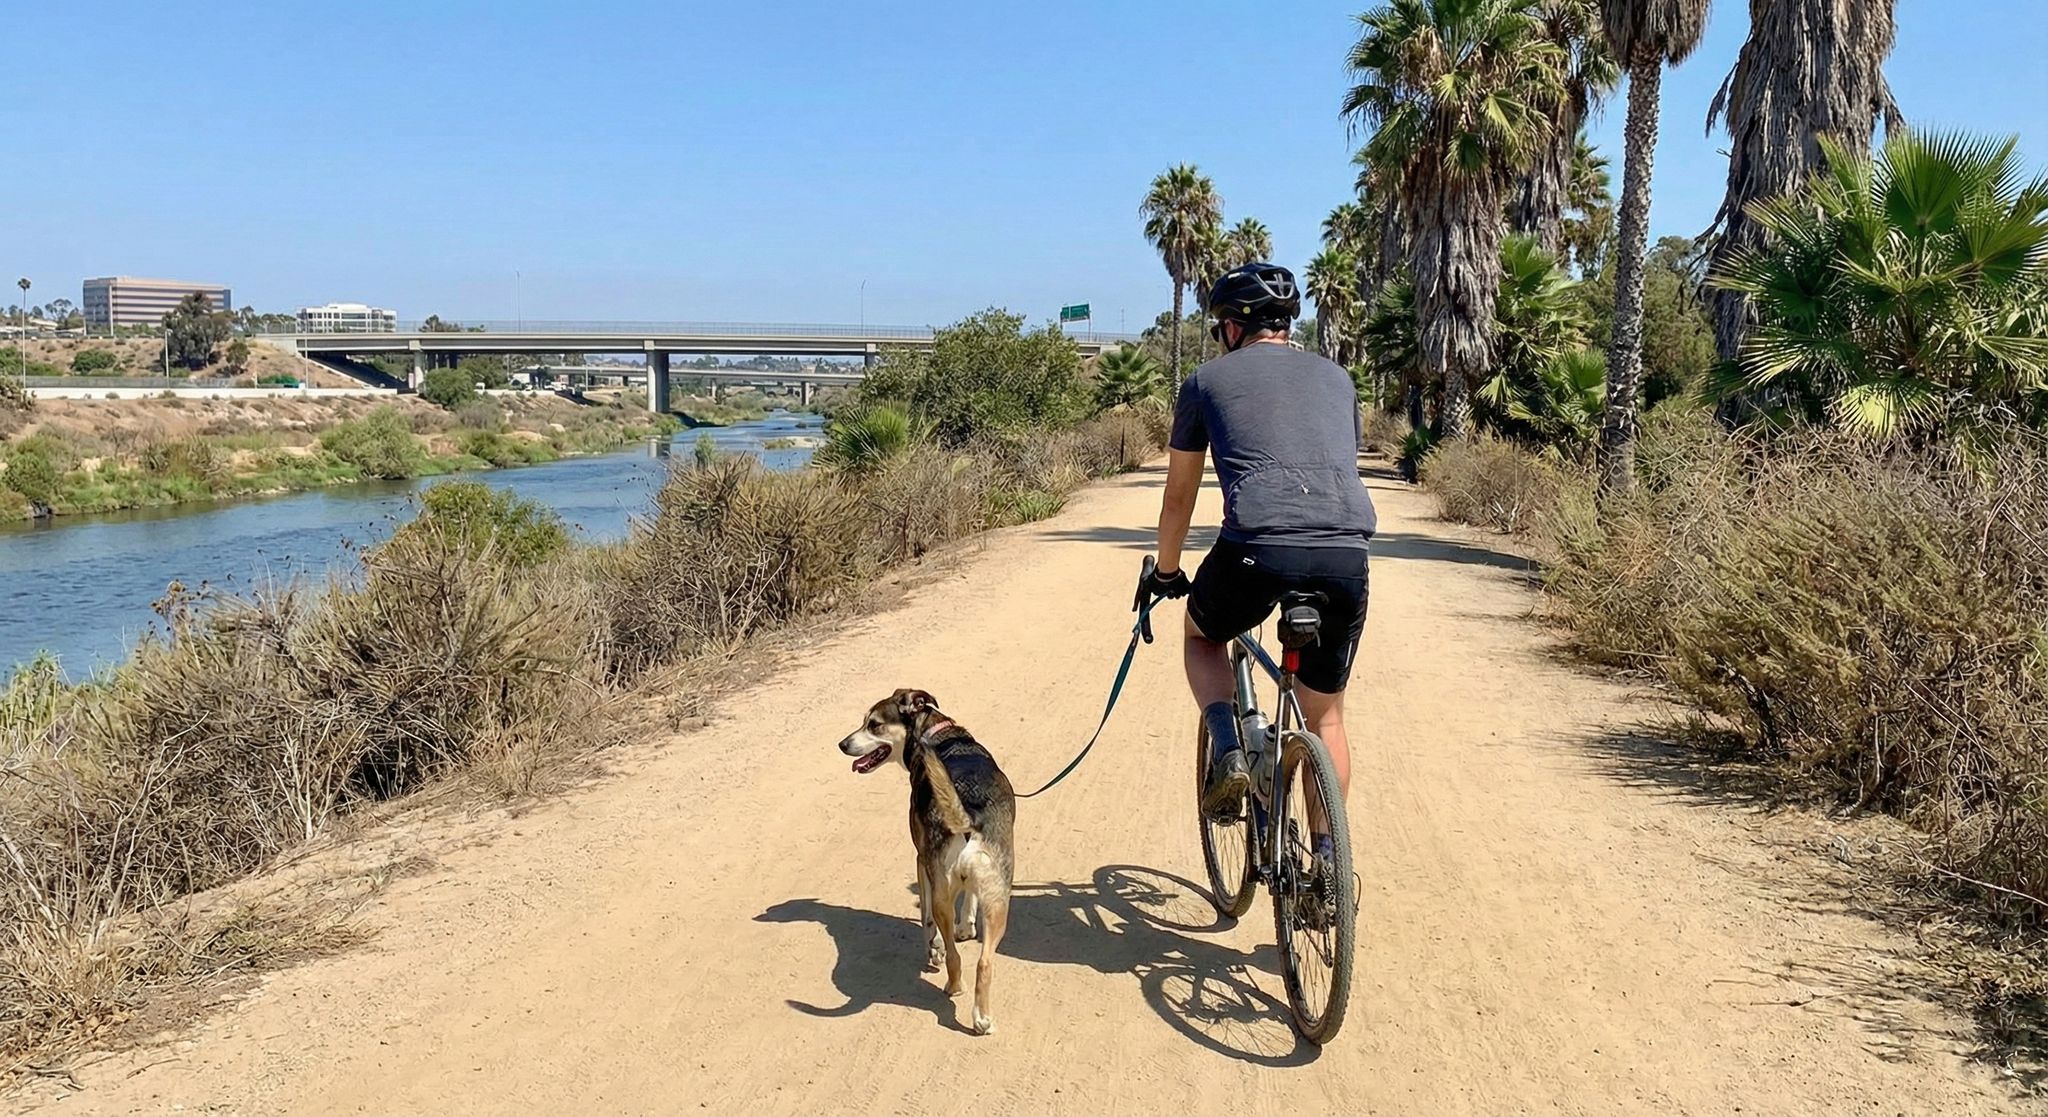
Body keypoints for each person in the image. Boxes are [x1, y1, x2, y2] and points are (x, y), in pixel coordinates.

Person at [1137, 261, 1375, 868]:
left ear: (1232, 327)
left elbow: (1179, 496)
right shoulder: (1339, 379)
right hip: (1346, 553)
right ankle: (1327, 863)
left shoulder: (1205, 382)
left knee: (1201, 634)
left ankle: (1228, 749)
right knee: (1327, 720)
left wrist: (1166, 573)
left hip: (1256, 549)